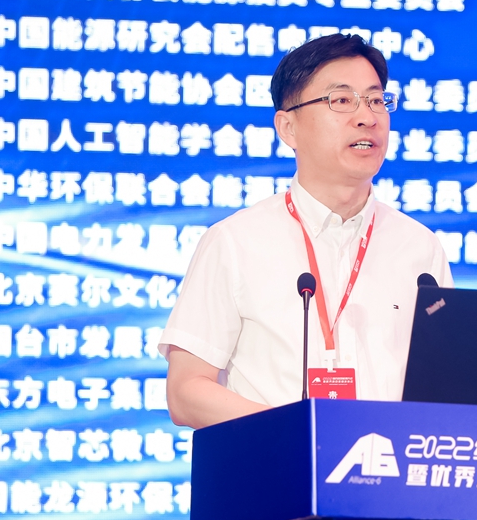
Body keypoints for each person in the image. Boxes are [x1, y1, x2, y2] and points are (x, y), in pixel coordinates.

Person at [158, 34, 454, 429]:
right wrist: (300, 432)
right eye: (342, 100)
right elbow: (186, 392)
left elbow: (445, 390)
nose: (367, 117)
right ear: (288, 127)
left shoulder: (419, 248)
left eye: (376, 100)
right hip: (278, 465)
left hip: (391, 466)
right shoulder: (235, 242)